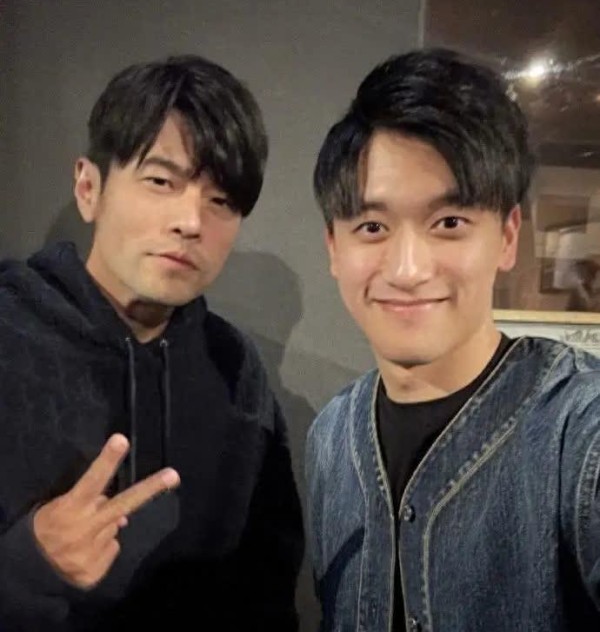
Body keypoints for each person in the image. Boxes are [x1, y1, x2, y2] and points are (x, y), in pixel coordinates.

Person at [0, 55, 303, 631]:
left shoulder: (235, 367)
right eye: (161, 181)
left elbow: (268, 585)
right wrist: (25, 565)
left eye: (221, 201)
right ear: (89, 188)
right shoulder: (11, 330)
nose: (191, 221)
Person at [305, 48, 600, 631]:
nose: (408, 269)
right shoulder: (331, 438)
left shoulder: (578, 432)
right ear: (334, 249)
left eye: (449, 223)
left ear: (507, 237)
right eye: (372, 227)